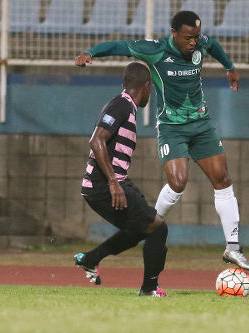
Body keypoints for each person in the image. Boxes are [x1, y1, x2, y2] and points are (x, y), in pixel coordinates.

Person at [75, 11, 249, 271]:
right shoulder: (155, 50)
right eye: (188, 38)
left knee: (223, 179)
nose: (194, 42)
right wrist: (91, 52)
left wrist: (229, 67)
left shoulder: (201, 43)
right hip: (172, 128)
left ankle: (233, 249)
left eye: (195, 37)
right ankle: (151, 225)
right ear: (174, 34)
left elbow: (213, 45)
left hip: (201, 125)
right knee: (178, 182)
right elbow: (120, 46)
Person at [73, 62, 168, 297]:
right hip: (104, 186)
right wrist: (114, 183)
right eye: (151, 90)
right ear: (146, 87)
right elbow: (96, 141)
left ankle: (90, 258)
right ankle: (149, 288)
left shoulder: (125, 107)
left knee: (141, 229)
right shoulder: (121, 105)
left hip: (108, 184)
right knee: (157, 229)